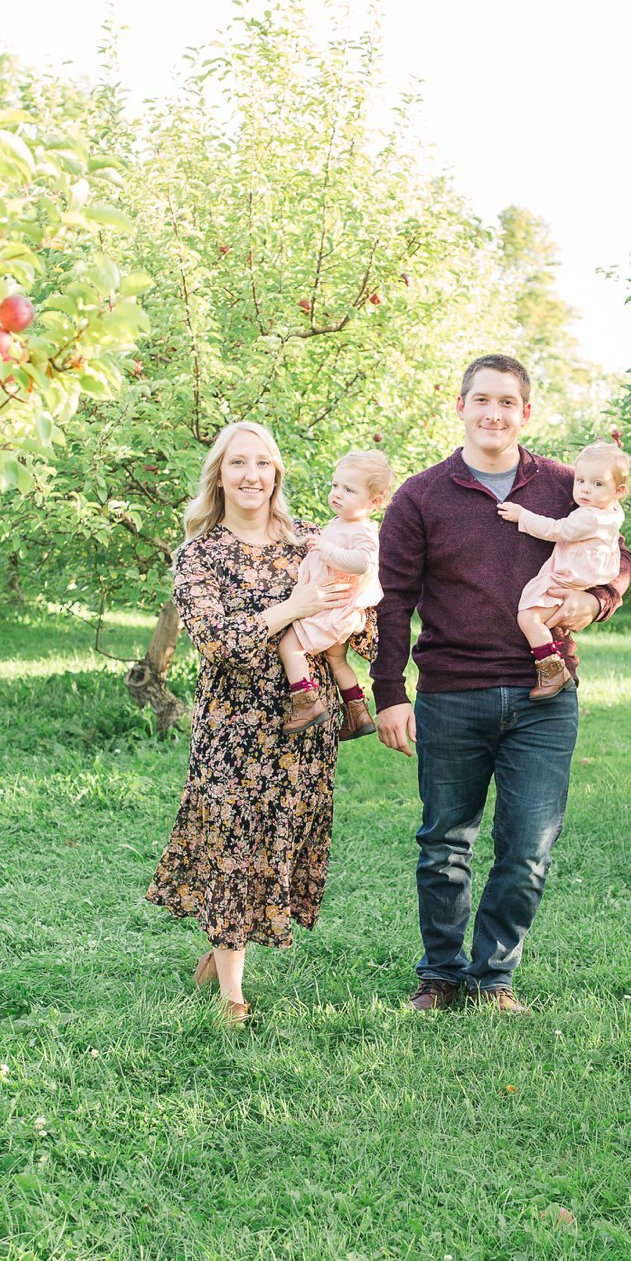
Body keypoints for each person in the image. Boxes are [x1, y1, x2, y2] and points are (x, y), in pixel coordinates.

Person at [372, 355, 630, 1013]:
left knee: (527, 848)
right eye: (481, 400)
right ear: (459, 407)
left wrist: (596, 601)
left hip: (545, 697)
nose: (493, 413)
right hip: (451, 692)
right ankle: (441, 975)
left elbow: (616, 560)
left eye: (507, 402)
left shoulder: (568, 485)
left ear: (526, 412)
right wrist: (391, 694)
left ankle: (493, 980)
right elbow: (394, 599)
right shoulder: (420, 496)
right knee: (444, 845)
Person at [145, 421, 367, 1026]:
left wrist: (350, 623)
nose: (252, 476)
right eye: (238, 463)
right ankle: (232, 997)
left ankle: (220, 951)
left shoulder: (314, 542)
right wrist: (292, 609)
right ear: (219, 474)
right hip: (232, 724)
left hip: (305, 718)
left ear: (277, 474)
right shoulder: (201, 553)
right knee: (233, 843)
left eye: (263, 463)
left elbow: (363, 614)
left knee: (278, 841)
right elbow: (217, 642)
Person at [499, 441, 629, 701]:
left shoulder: (588, 516)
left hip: (568, 577)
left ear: (619, 490)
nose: (584, 490)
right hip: (588, 576)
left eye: (597, 484)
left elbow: (556, 530)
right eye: (580, 480)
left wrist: (522, 515)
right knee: (546, 618)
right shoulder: (613, 511)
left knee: (530, 618)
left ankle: (552, 669)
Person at [276, 449, 391, 739]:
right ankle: (357, 712)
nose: (337, 493)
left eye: (349, 489)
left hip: (331, 611)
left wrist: (326, 551)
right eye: (335, 485)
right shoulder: (341, 523)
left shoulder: (363, 530)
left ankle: (306, 705)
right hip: (336, 612)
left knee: (289, 648)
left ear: (374, 501)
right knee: (337, 661)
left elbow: (363, 562)